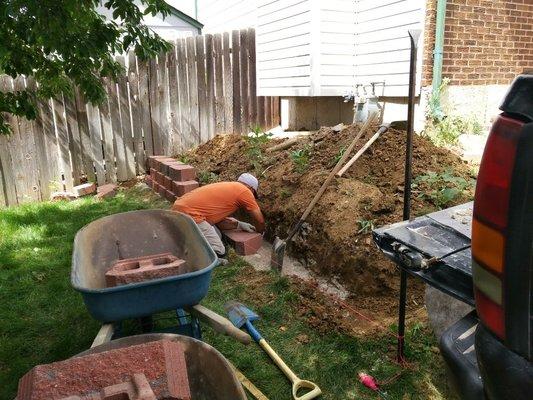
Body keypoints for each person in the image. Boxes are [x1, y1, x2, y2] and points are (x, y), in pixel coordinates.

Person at [172, 173, 265, 256]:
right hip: (191, 214)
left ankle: (189, 240)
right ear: (251, 188)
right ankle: (191, 253)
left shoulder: (228, 187)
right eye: (253, 193)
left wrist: (239, 225)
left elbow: (219, 223)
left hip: (179, 208)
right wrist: (260, 232)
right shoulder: (245, 191)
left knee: (218, 234)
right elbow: (259, 220)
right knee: (219, 250)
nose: (252, 196)